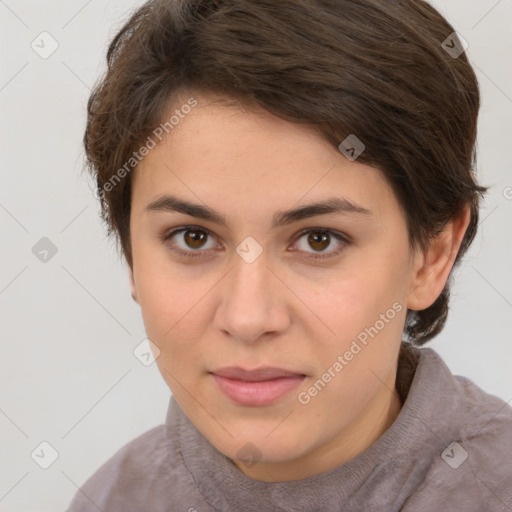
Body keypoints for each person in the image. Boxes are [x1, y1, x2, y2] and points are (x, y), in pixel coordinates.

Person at [67, 0, 512, 510]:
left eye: (319, 240)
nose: (248, 318)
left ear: (432, 255)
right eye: (193, 237)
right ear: (131, 254)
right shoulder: (110, 499)